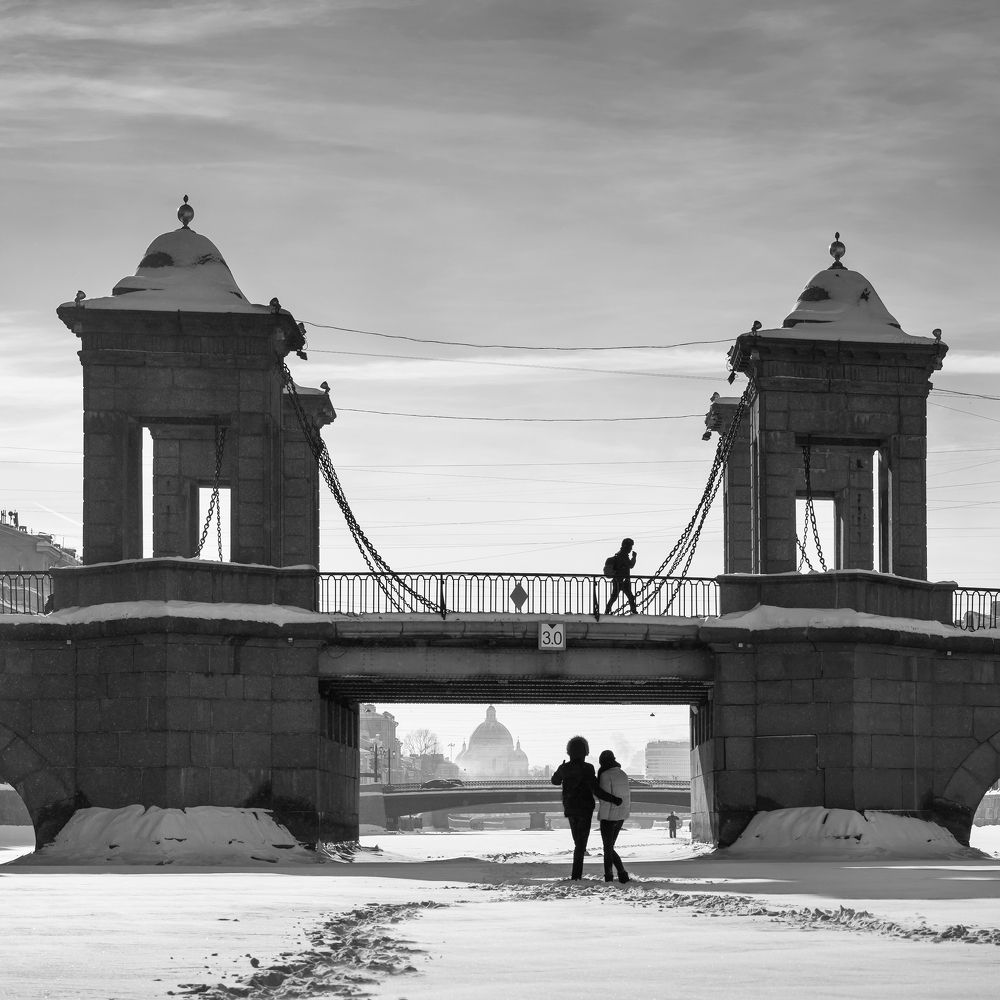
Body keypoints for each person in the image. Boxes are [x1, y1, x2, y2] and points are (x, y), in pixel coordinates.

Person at [551, 736, 621, 880]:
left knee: (578, 843)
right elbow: (596, 790)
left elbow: (555, 781)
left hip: (570, 809)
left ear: (569, 752)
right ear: (585, 752)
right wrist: (614, 799)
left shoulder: (565, 768)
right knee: (581, 844)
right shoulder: (588, 768)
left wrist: (560, 769)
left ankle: (576, 876)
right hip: (585, 810)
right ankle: (576, 876)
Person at [597, 749, 631, 884]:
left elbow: (605, 800)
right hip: (620, 816)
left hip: (609, 816)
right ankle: (622, 874)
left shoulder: (605, 775)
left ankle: (610, 876)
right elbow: (627, 797)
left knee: (607, 847)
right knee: (609, 846)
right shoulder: (623, 774)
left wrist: (604, 817)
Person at [605, 537, 637, 615]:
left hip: (620, 580)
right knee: (625, 597)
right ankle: (634, 611)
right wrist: (634, 557)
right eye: (630, 547)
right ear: (626, 546)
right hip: (621, 580)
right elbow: (630, 565)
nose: (631, 549)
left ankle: (607, 611)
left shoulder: (621, 554)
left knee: (616, 597)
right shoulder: (623, 555)